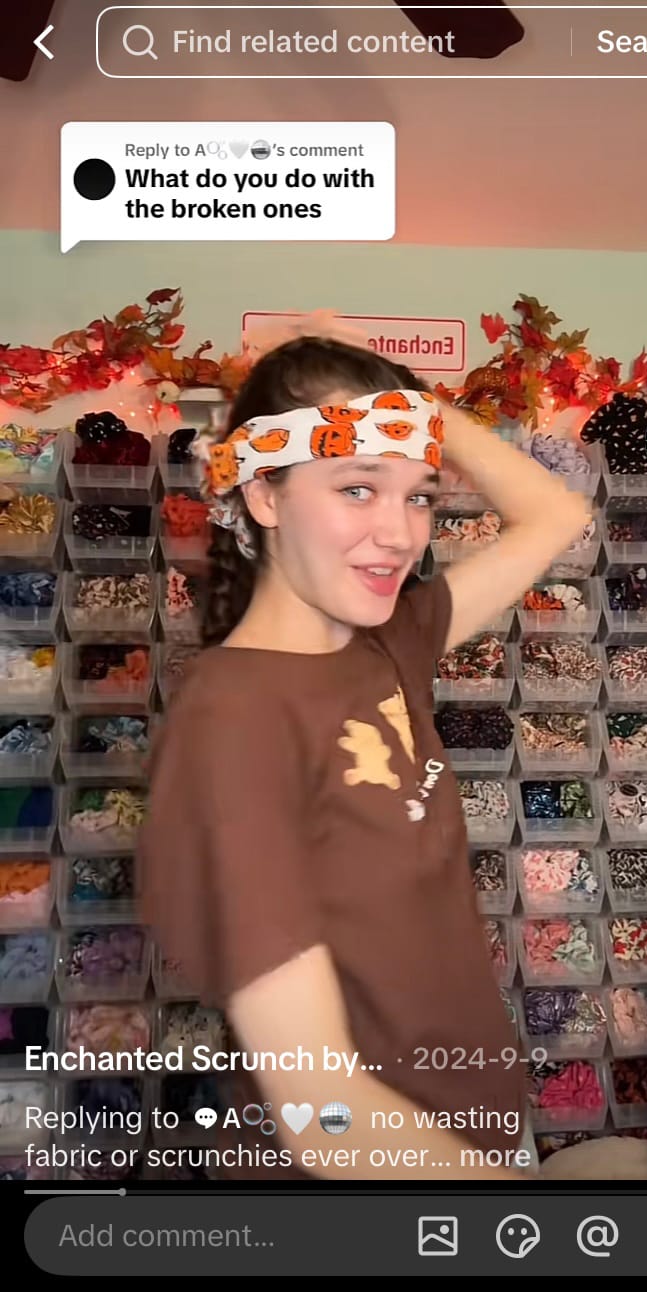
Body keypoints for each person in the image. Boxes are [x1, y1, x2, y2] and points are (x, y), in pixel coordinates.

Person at [138, 320, 590, 1182]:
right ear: (264, 497)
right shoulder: (234, 722)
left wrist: (417, 407)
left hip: (476, 1137)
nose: (400, 534)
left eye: (418, 495)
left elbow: (557, 514)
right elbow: (324, 1118)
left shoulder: (388, 640)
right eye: (357, 488)